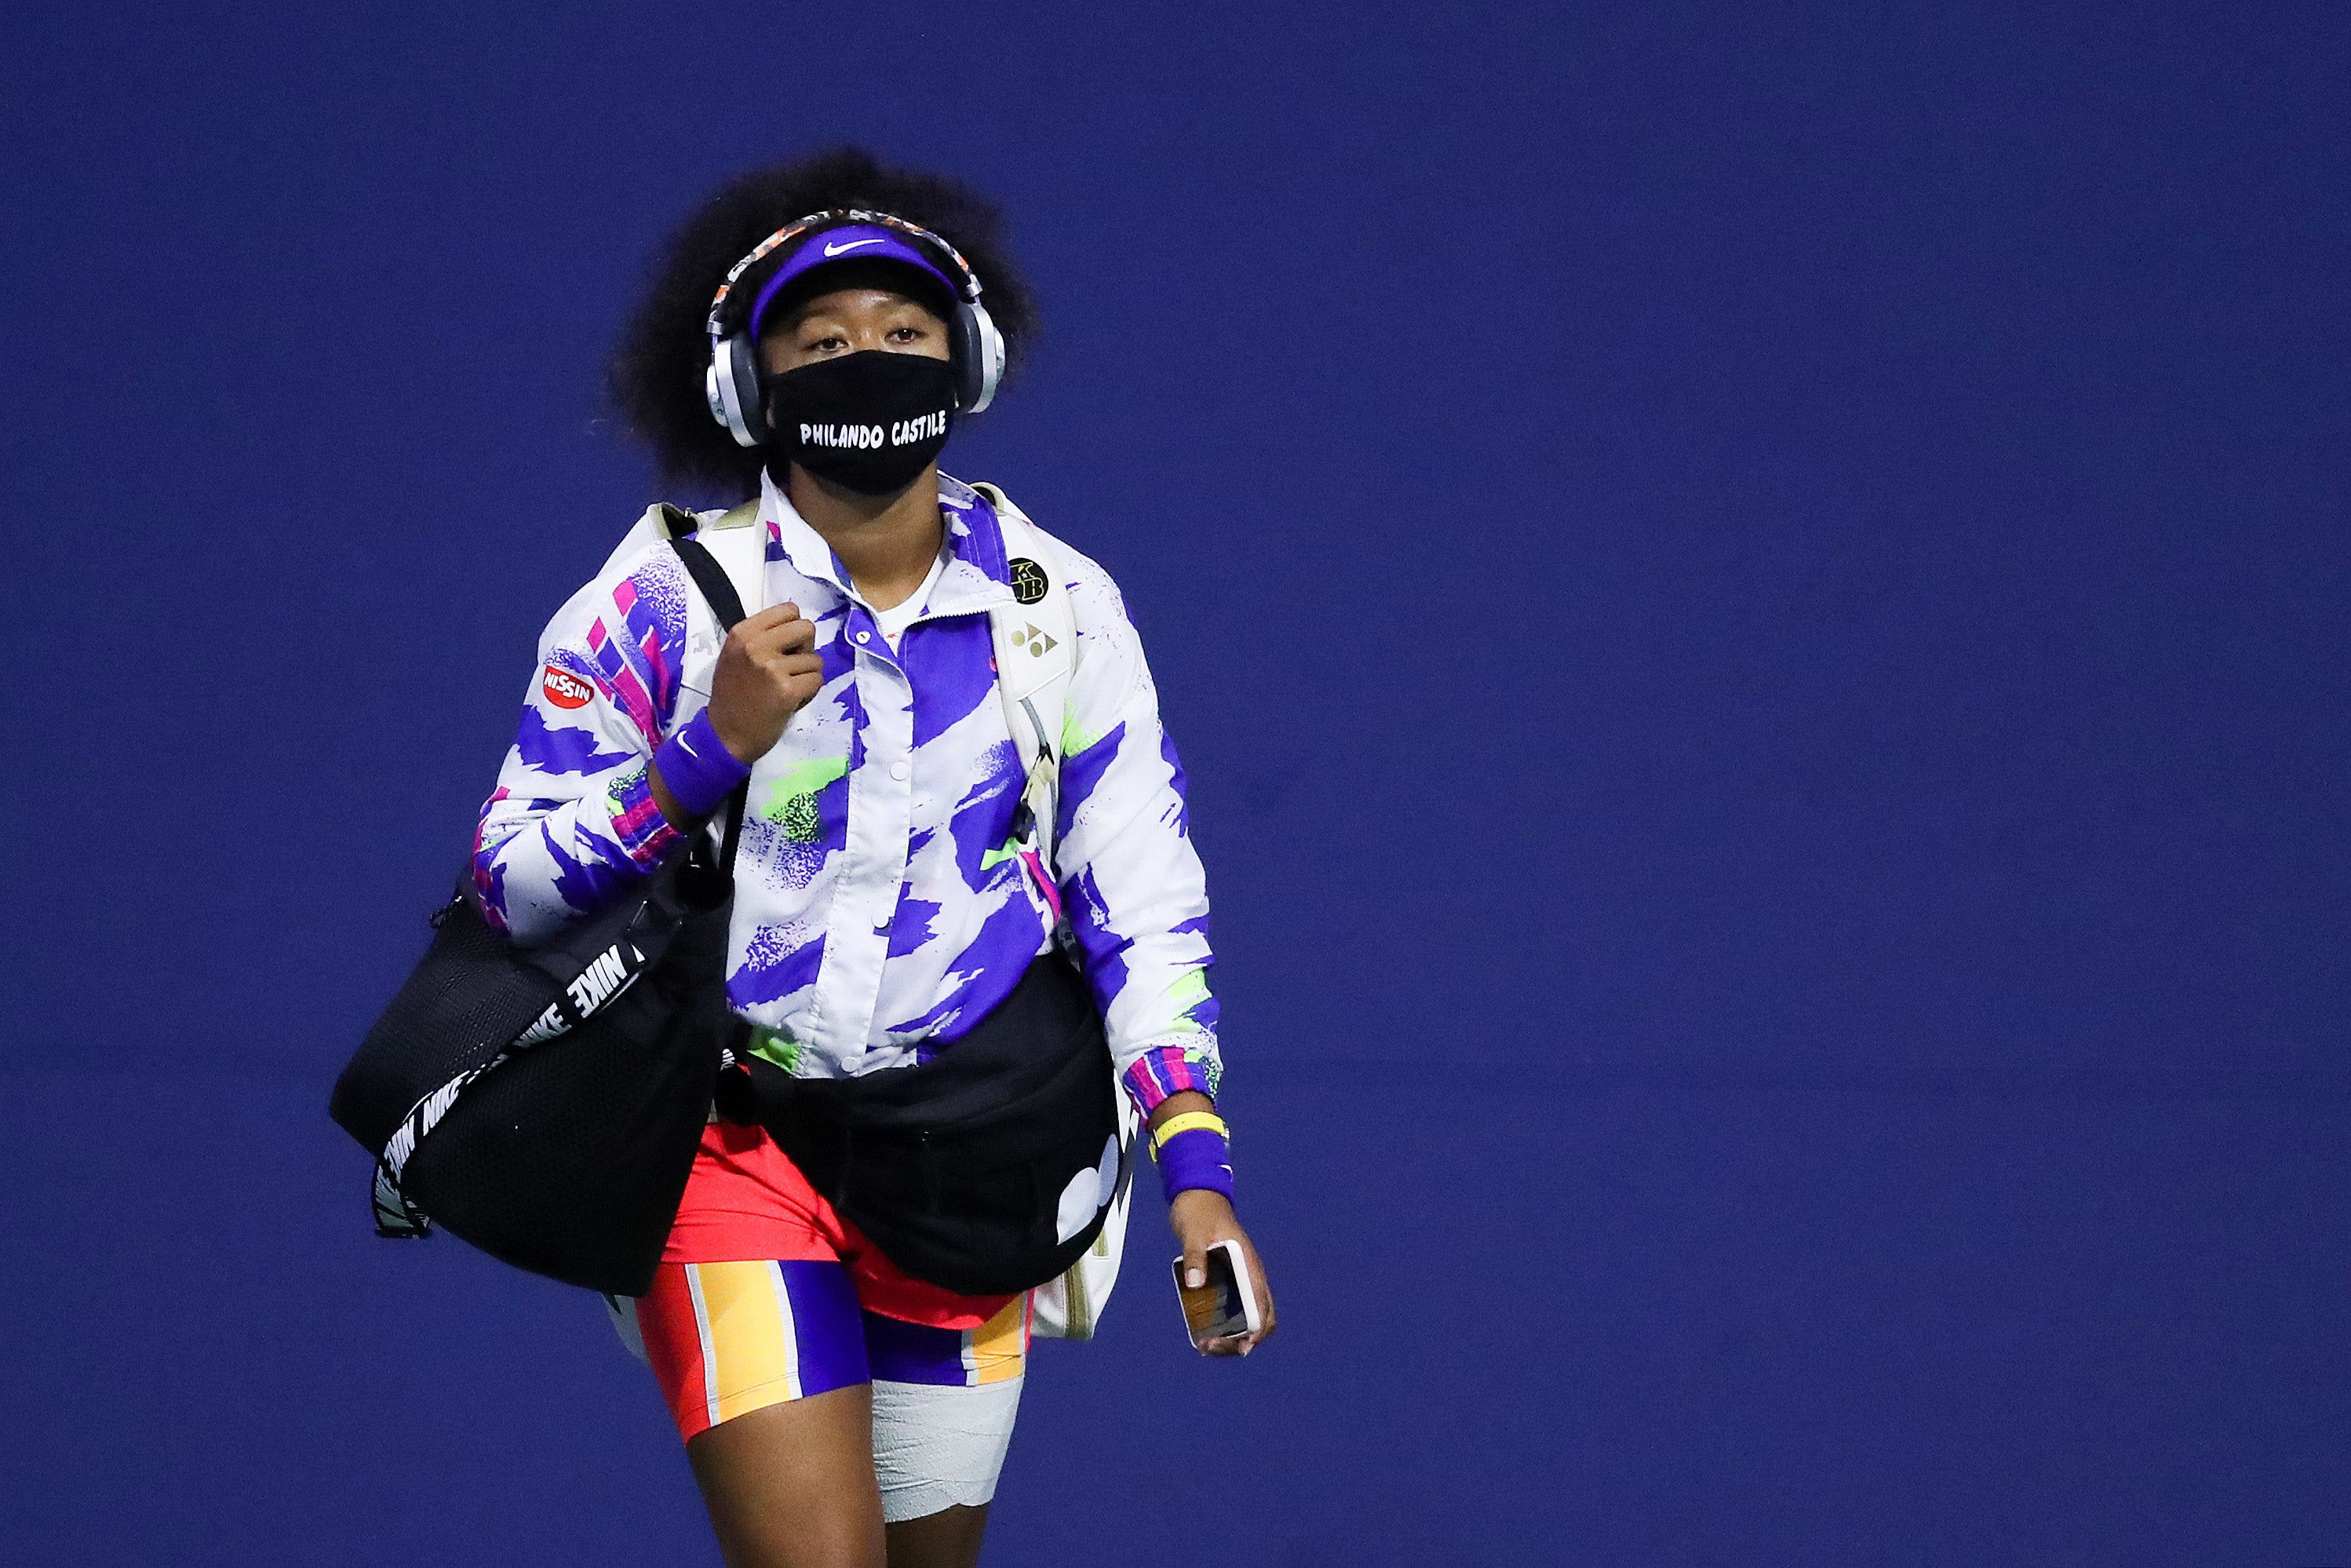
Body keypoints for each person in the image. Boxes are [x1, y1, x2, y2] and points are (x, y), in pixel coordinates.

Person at [468, 145, 1274, 1568]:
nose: (866, 360)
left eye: (905, 335)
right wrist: (699, 751)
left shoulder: (1061, 609)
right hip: (727, 1144)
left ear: (967, 363)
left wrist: (1194, 1166)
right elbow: (512, 881)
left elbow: (1139, 894)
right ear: (744, 383)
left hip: (972, 1162)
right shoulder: (661, 602)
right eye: (821, 339)